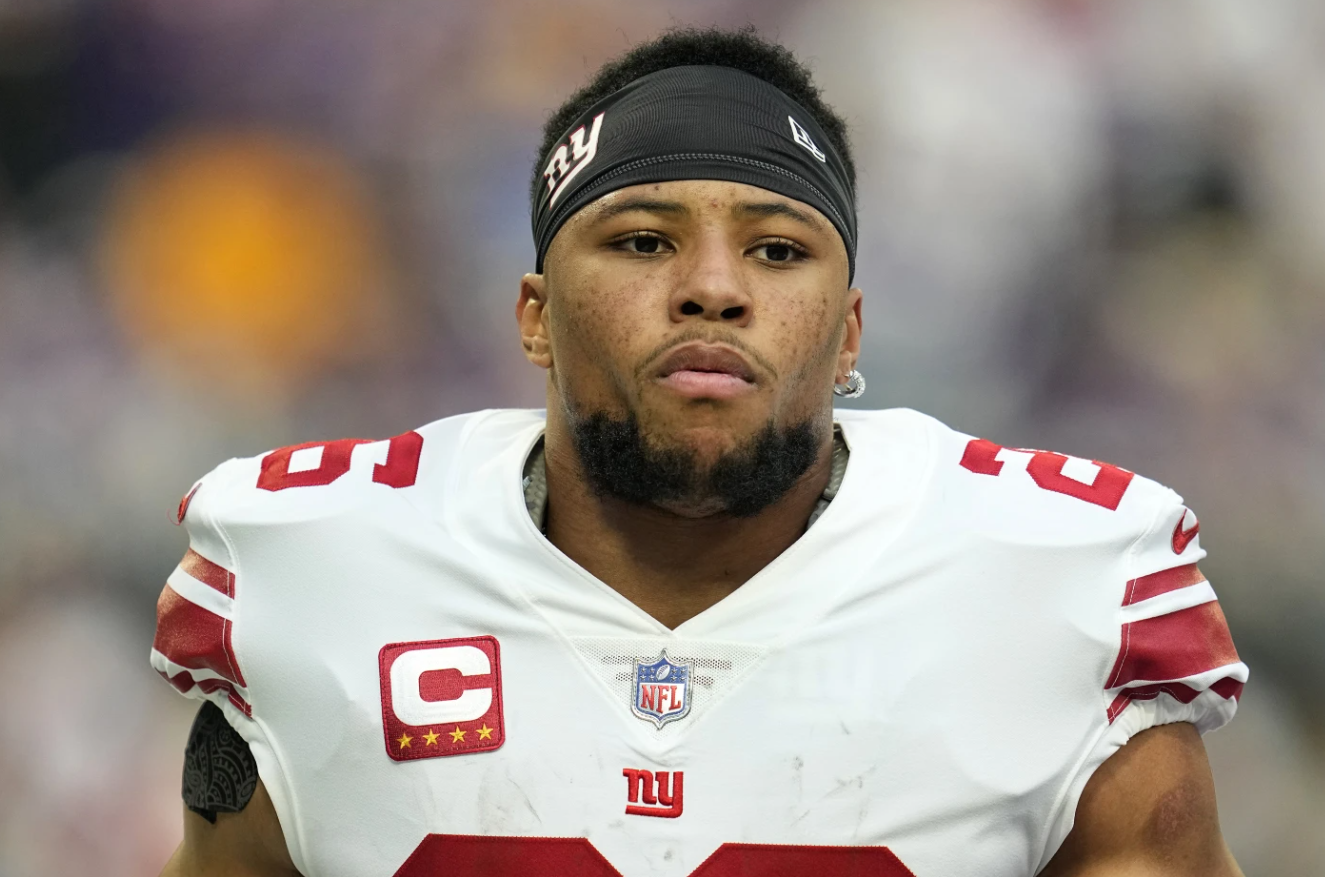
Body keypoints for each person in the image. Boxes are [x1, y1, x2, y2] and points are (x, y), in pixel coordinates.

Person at [152, 27, 1247, 877]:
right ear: (533, 313)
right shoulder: (317, 562)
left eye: (776, 249)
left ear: (849, 330)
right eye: (641, 241)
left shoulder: (1054, 579)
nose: (714, 286)